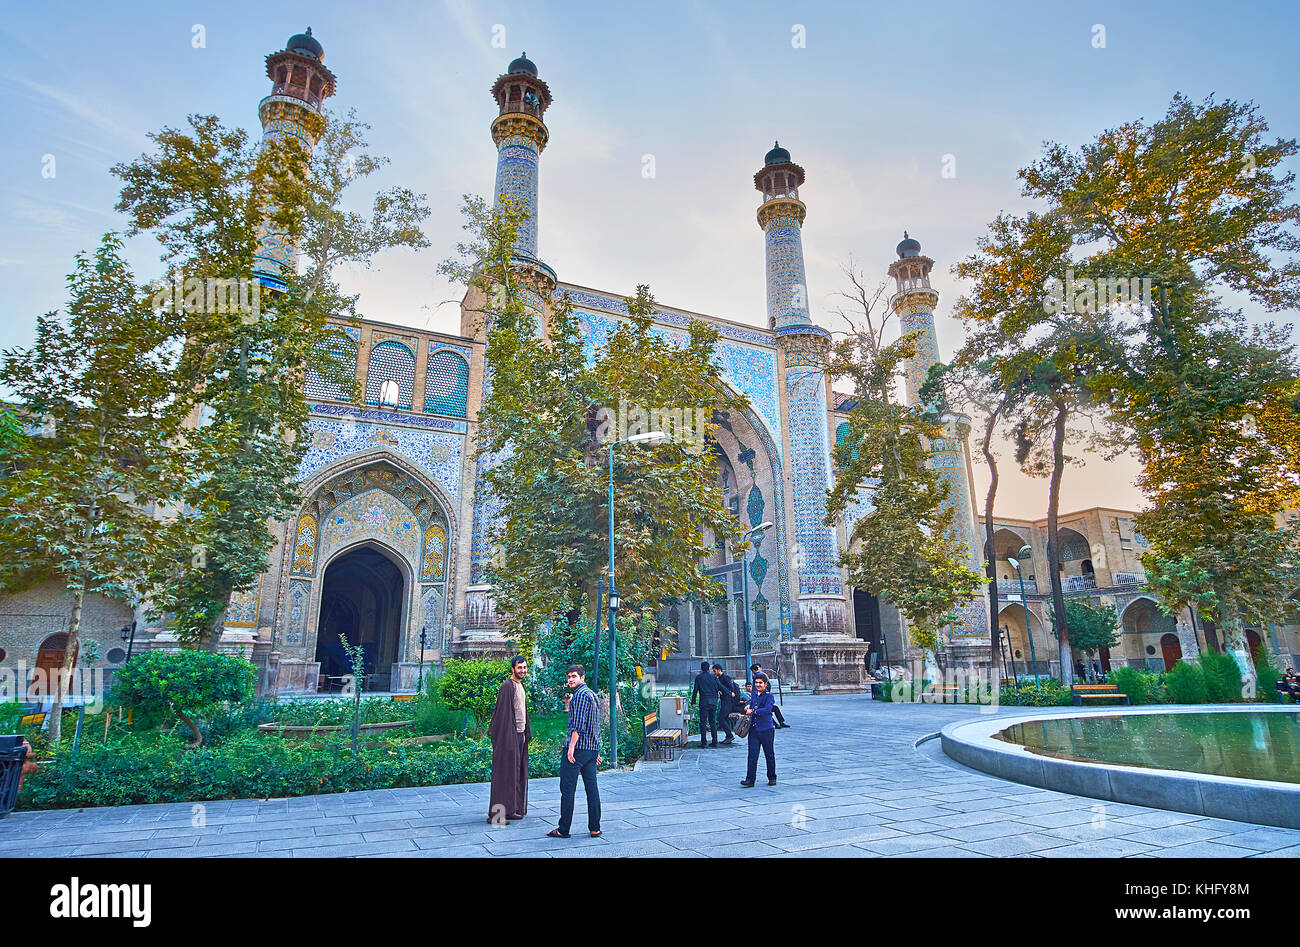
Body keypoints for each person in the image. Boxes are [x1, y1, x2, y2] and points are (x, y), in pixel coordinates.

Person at [548, 665, 603, 839]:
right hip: (590, 750)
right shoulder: (592, 695)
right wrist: (596, 751)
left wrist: (570, 748)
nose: (570, 680)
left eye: (574, 676)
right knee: (592, 789)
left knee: (567, 789)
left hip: (578, 750)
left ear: (582, 678)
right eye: (569, 677)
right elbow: (595, 725)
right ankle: (595, 827)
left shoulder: (579, 696)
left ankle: (563, 829)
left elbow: (577, 725)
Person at [487, 655, 531, 825]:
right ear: (513, 669)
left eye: (525, 667)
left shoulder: (520, 686)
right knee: (504, 775)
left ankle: (511, 810)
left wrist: (525, 733)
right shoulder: (507, 686)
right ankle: (497, 816)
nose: (523, 670)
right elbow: (502, 716)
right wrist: (507, 740)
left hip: (519, 735)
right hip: (508, 738)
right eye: (519, 668)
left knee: (515, 774)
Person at [740, 673, 777, 787]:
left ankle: (772, 777)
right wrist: (748, 707)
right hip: (754, 729)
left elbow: (768, 709)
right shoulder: (754, 694)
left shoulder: (769, 696)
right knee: (752, 755)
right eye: (756, 683)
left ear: (765, 684)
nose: (758, 685)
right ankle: (750, 779)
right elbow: (752, 705)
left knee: (769, 754)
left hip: (766, 729)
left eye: (760, 683)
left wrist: (754, 711)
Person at [690, 659, 726, 747]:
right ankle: (715, 741)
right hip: (713, 702)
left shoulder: (699, 677)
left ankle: (703, 742)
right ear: (709, 669)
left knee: (703, 722)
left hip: (704, 702)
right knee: (712, 721)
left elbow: (695, 691)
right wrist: (729, 692)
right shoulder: (714, 677)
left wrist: (693, 702)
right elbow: (720, 687)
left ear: (701, 669)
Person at [750, 662, 789, 728]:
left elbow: (755, 689)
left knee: (767, 709)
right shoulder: (762, 675)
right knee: (767, 710)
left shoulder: (756, 676)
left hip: (760, 697)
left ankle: (778, 723)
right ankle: (778, 723)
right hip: (761, 697)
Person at [712, 663, 740, 745]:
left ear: (719, 670)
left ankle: (729, 735)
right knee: (725, 718)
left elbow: (731, 689)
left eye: (714, 671)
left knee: (721, 718)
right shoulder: (720, 678)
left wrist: (722, 691)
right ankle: (728, 736)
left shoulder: (725, 678)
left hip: (728, 701)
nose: (714, 673)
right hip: (725, 701)